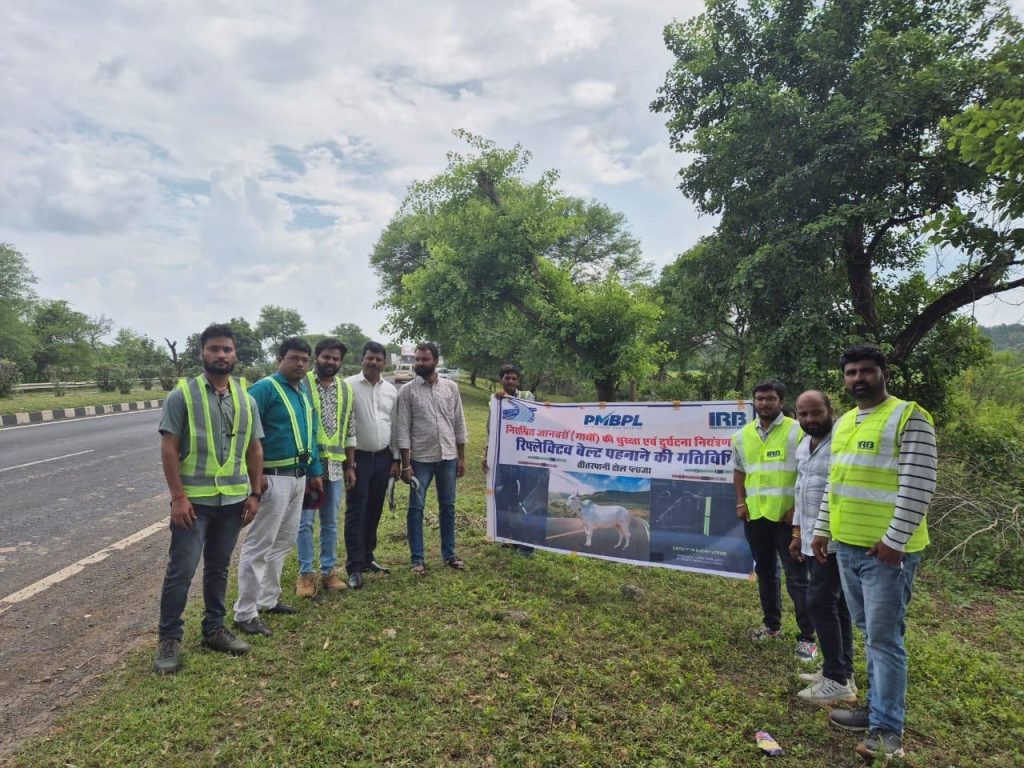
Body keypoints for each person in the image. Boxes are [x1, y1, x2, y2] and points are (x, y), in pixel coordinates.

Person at [813, 345, 937, 761]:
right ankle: (875, 710)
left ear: (883, 373)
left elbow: (918, 485)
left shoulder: (908, 416)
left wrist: (894, 541)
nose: (857, 379)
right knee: (870, 634)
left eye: (866, 371)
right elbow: (837, 481)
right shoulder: (846, 421)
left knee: (884, 640)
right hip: (847, 549)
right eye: (850, 372)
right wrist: (822, 530)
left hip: (886, 555)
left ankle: (888, 730)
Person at [154, 324, 265, 674]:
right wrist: (177, 497)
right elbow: (169, 448)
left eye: (227, 350)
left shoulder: (246, 399)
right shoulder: (182, 396)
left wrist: (254, 492)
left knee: (218, 568)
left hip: (233, 502)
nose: (221, 355)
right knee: (181, 571)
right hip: (194, 504)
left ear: (235, 355)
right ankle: (169, 639)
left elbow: (254, 448)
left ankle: (214, 629)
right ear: (202, 353)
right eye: (214, 349)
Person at [233, 338, 323, 637]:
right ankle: (245, 612)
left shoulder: (302, 392)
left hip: (297, 477)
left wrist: (314, 472)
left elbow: (309, 434)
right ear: (280, 359)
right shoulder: (265, 389)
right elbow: (245, 435)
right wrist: (254, 478)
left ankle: (268, 599)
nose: (300, 364)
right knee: (259, 544)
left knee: (284, 541)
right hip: (273, 477)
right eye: (294, 358)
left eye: (304, 360)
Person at [732, 379, 817, 662]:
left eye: (770, 398)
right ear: (753, 401)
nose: (764, 403)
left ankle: (807, 638)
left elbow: (809, 473)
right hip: (756, 516)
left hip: (787, 519)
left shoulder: (798, 431)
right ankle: (771, 626)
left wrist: (798, 510)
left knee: (797, 578)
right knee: (766, 573)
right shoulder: (742, 435)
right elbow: (739, 471)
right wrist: (741, 502)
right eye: (759, 398)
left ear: (781, 401)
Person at [789, 390, 856, 705]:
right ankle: (842, 669)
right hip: (810, 538)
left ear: (830, 409)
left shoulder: (843, 441)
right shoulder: (805, 444)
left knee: (820, 603)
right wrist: (797, 533)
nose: (810, 420)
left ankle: (836, 679)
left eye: (816, 413)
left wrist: (821, 534)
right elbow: (801, 490)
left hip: (833, 539)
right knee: (836, 605)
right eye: (803, 414)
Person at [395, 342, 469, 574]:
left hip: (448, 457)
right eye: (417, 359)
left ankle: (450, 554)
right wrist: (406, 465)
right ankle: (417, 559)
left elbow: (459, 423)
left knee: (448, 506)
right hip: (420, 460)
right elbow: (402, 429)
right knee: (415, 507)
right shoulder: (407, 391)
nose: (419, 363)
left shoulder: (451, 388)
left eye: (424, 359)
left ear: (436, 361)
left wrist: (461, 458)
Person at [295, 338, 356, 598]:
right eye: (326, 357)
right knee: (305, 522)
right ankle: (306, 574)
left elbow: (350, 430)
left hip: (335, 466)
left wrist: (350, 466)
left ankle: (329, 571)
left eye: (335, 358)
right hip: (309, 465)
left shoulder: (345, 389)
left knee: (330, 522)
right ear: (316, 357)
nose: (330, 362)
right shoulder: (301, 384)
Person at [344, 341, 400, 589]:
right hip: (359, 459)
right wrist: (349, 462)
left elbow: (394, 424)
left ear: (384, 362)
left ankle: (368, 557)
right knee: (356, 510)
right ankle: (354, 566)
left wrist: (396, 458)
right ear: (362, 359)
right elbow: (345, 424)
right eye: (370, 358)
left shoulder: (391, 390)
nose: (374, 362)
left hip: (384, 457)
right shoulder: (348, 386)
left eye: (378, 359)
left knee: (374, 509)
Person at [482, 363, 536, 556]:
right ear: (501, 380)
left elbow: (531, 412)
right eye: (507, 378)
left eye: (514, 378)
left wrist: (507, 400)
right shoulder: (494, 403)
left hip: (524, 460)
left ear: (518, 381)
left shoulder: (527, 396)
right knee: (504, 498)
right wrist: (486, 454)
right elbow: (491, 431)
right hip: (502, 458)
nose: (511, 381)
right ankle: (511, 538)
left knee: (522, 502)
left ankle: (527, 546)